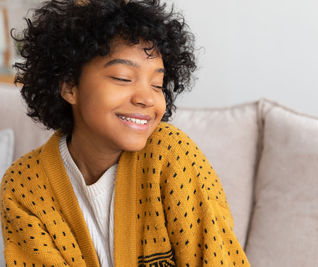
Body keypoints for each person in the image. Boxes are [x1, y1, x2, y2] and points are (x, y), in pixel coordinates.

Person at [0, 0, 250, 266]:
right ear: (70, 86)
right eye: (123, 77)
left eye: (157, 84)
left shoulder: (172, 155)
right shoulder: (23, 186)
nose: (147, 98)